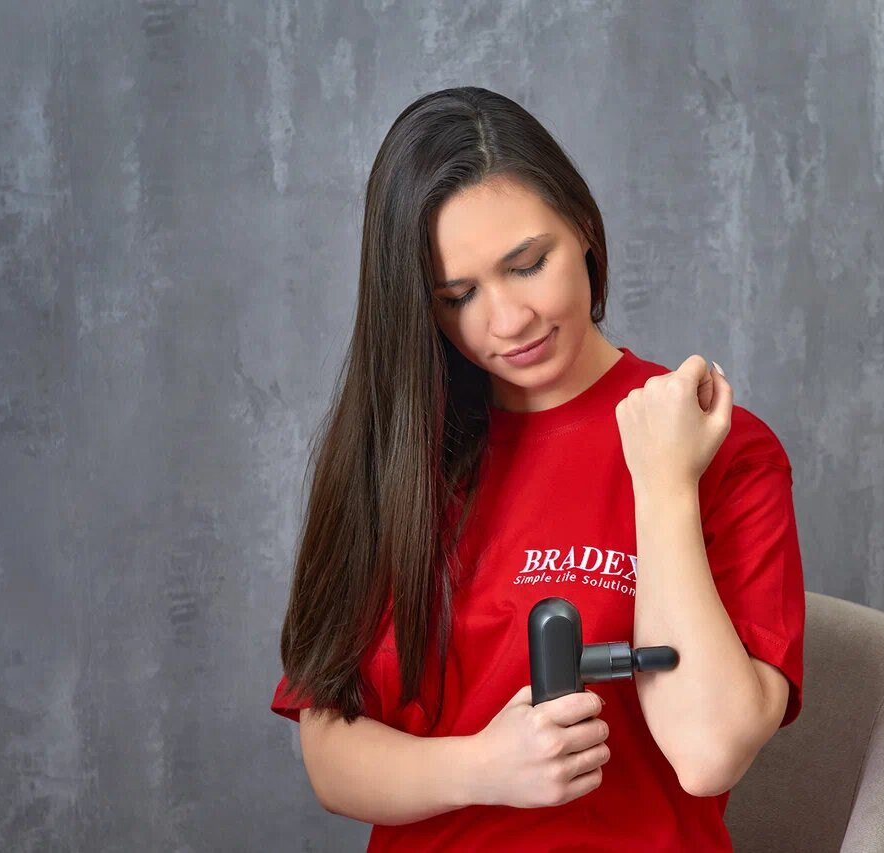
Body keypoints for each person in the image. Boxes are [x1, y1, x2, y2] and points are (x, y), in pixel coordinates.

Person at [270, 85, 805, 852]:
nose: (508, 321)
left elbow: (709, 752)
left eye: (527, 265)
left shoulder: (721, 446)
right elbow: (330, 755)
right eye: (458, 296)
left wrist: (663, 483)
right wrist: (487, 768)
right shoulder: (400, 457)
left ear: (582, 223)